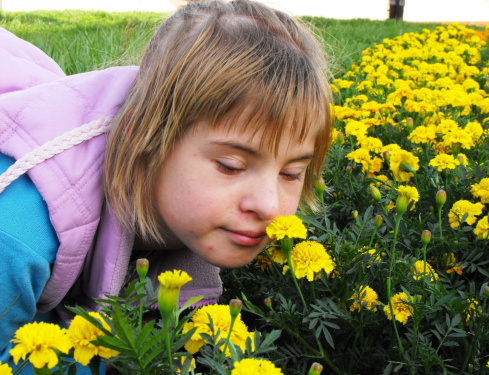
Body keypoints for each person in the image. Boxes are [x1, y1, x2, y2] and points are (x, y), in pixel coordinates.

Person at [0, 0, 332, 372]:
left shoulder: (186, 211)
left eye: (292, 173)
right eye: (231, 166)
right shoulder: (18, 230)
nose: (270, 206)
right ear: (144, 139)